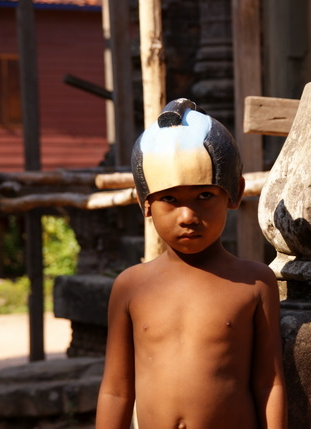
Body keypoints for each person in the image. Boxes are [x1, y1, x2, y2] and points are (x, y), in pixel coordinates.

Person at [95, 98, 287, 429]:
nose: (188, 216)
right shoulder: (131, 286)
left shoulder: (254, 283)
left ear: (234, 194)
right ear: (145, 203)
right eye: (169, 199)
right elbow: (116, 392)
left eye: (204, 196)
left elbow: (269, 383)